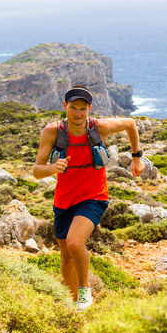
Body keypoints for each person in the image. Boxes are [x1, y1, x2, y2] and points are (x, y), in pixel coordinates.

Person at [32, 85, 144, 309]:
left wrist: (136, 157)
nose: (78, 113)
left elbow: (130, 124)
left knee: (75, 242)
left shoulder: (99, 128)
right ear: (65, 106)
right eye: (73, 108)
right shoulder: (52, 132)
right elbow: (36, 171)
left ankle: (84, 292)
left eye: (83, 109)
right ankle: (74, 304)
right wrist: (54, 167)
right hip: (64, 200)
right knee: (65, 256)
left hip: (94, 196)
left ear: (89, 109)